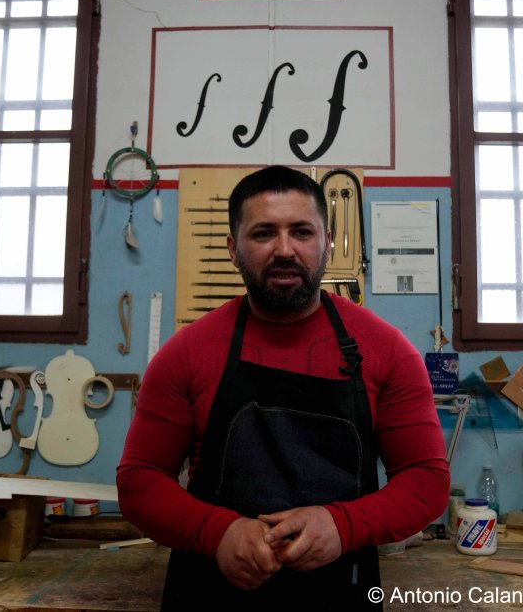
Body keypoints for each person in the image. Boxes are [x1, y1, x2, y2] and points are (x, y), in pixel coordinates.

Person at [116, 166, 449, 610]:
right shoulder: (188, 353)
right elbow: (139, 481)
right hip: (210, 591)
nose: (285, 249)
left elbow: (426, 480)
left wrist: (343, 525)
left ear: (327, 243)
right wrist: (217, 532)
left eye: (302, 231)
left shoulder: (386, 351)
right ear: (233, 249)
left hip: (340, 591)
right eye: (263, 234)